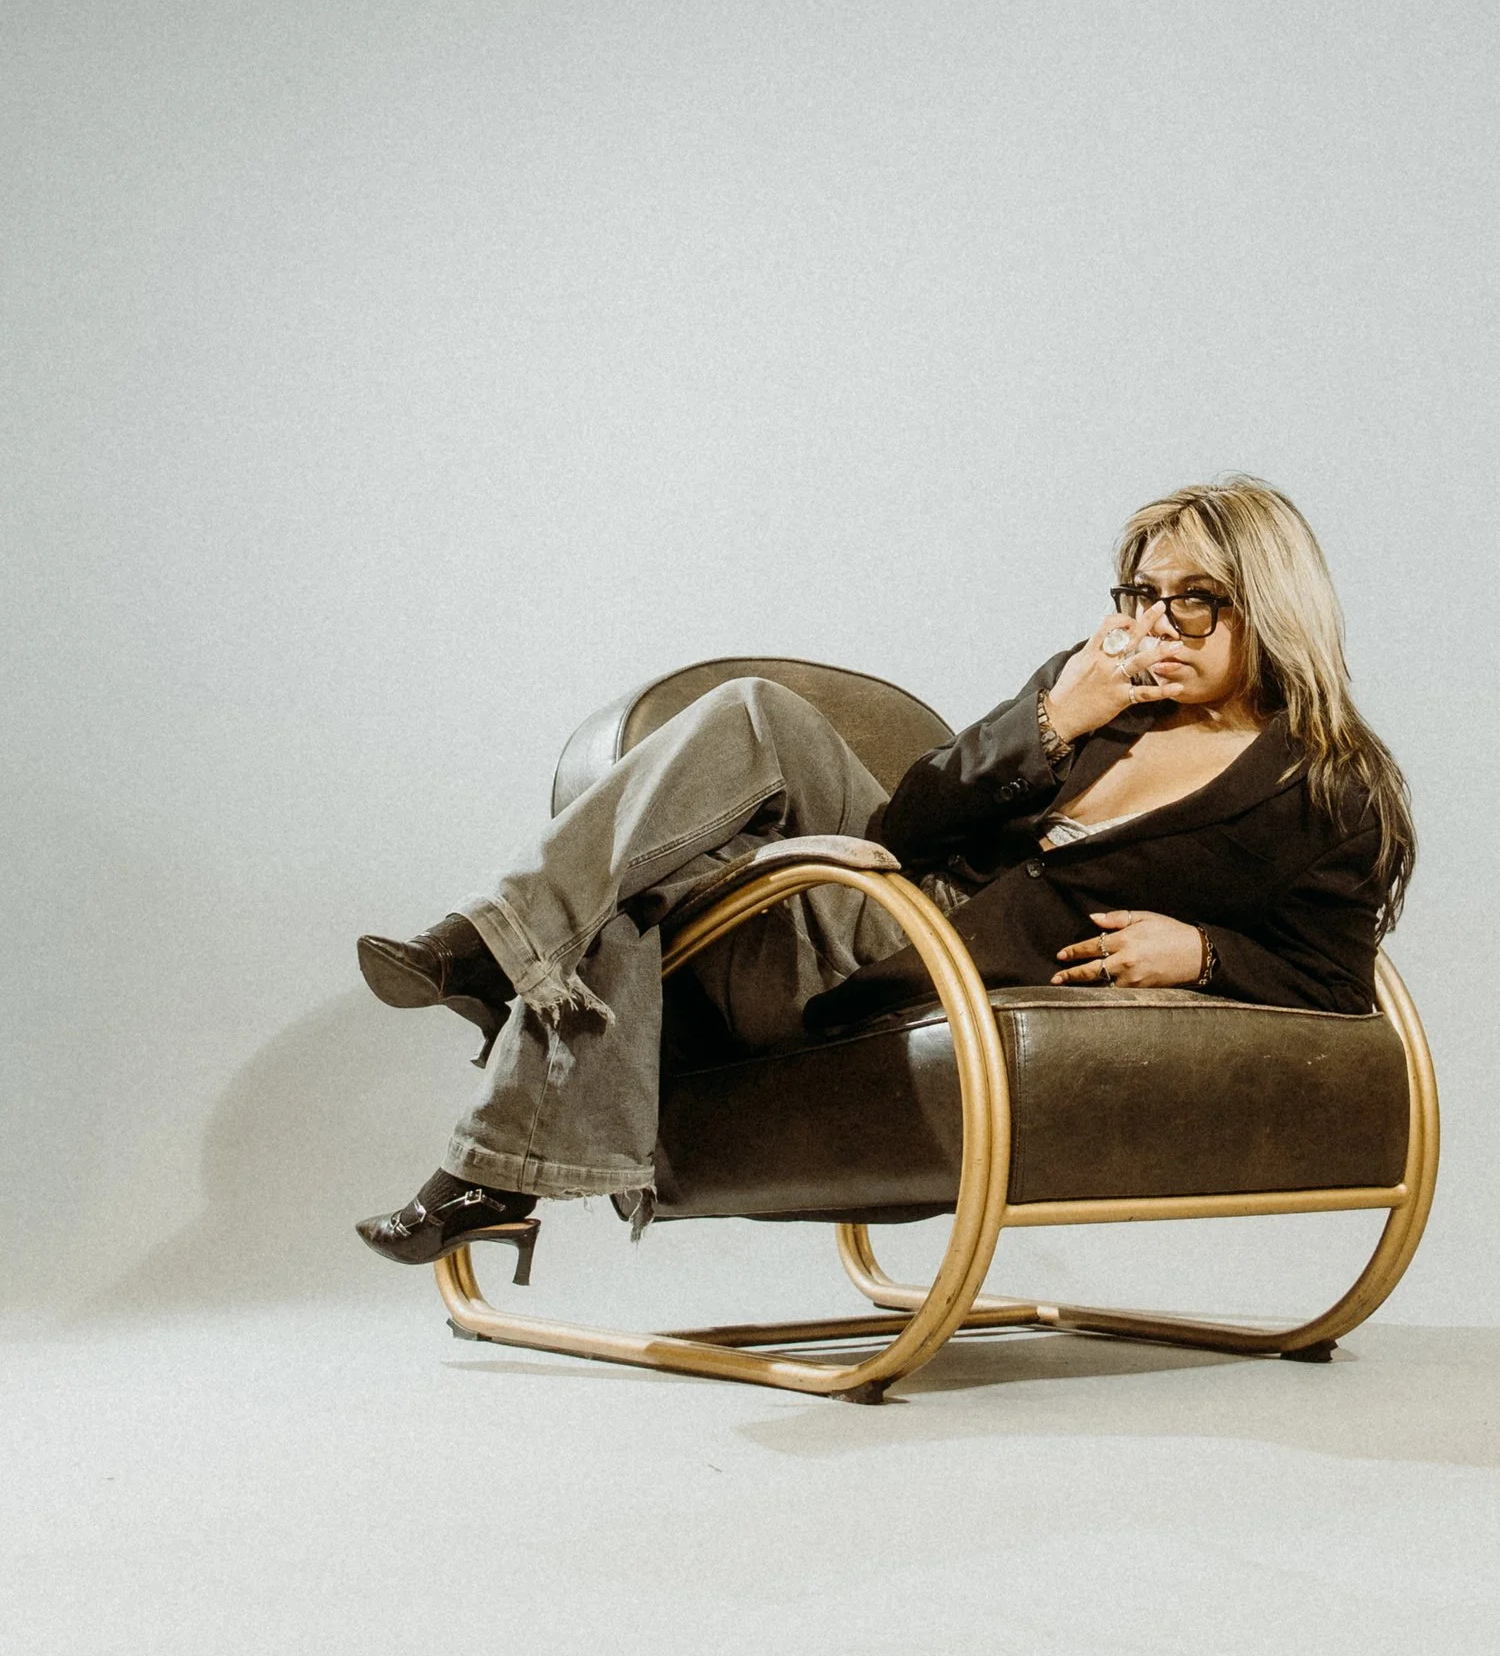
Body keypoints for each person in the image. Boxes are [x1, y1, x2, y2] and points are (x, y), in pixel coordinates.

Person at [351, 474, 1415, 1268]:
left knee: (646, 883)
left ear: (1270, 607)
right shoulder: (1094, 689)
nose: (1154, 626)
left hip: (951, 959)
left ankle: (491, 1117)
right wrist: (1054, 717)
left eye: (1195, 600)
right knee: (752, 713)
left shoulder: (1326, 791)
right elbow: (909, 823)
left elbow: (1332, 976)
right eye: (1141, 593)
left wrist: (1203, 952)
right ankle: (496, 947)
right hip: (887, 898)